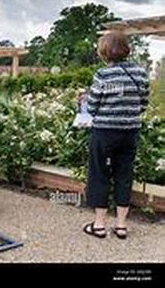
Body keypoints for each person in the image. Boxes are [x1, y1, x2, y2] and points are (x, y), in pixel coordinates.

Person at [83, 31, 150, 239]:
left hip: (104, 132)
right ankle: (121, 226)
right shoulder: (140, 74)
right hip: (130, 132)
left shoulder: (103, 75)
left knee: (99, 174)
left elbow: (92, 107)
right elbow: (143, 104)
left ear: (105, 51)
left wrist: (86, 100)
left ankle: (99, 225)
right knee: (124, 174)